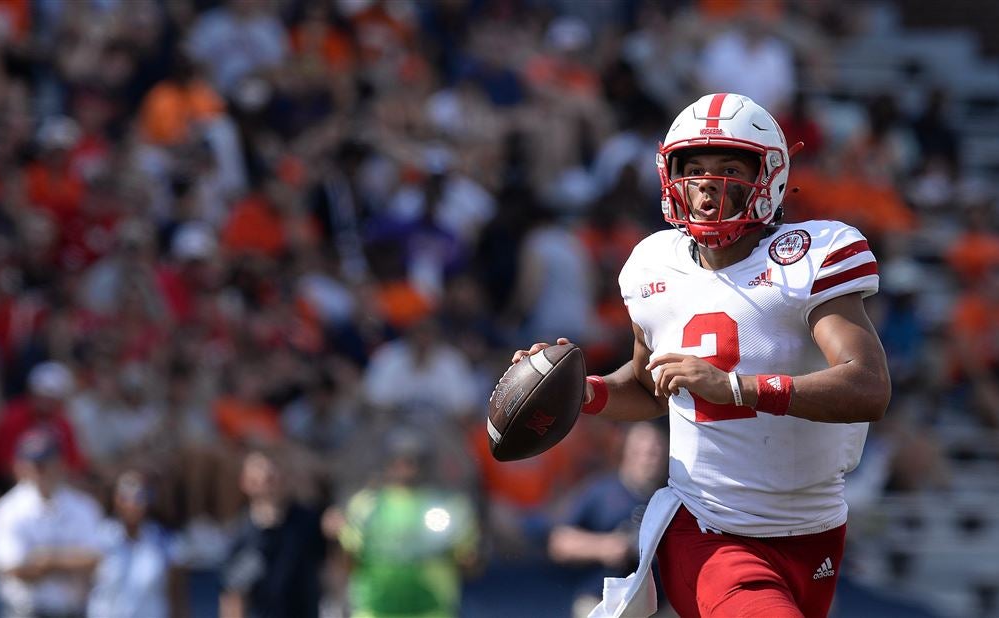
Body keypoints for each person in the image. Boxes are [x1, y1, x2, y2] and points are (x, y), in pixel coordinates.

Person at [512, 93, 891, 618]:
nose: (709, 185)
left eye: (730, 168)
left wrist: (736, 388)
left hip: (815, 528)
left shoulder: (812, 256)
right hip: (708, 527)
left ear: (769, 176)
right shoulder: (653, 264)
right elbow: (649, 385)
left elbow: (867, 387)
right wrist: (586, 392)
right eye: (694, 170)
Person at [330, 430, 480, 618]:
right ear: (387, 463)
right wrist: (336, 536)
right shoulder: (365, 505)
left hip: (432, 608)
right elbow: (347, 559)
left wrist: (469, 557)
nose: (406, 467)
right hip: (375, 608)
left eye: (413, 460)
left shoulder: (449, 505)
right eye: (399, 460)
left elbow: (469, 562)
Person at [549, 421, 669, 618]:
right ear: (625, 451)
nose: (648, 459)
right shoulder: (601, 492)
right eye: (641, 451)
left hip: (657, 606)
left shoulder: (671, 499)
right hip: (601, 601)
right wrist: (604, 546)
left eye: (655, 451)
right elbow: (559, 542)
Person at [0, 428, 104, 617]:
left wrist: (46, 559)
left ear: (60, 463)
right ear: (20, 465)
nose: (40, 471)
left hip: (73, 611)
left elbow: (95, 559)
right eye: (34, 463)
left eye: (46, 462)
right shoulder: (7, 509)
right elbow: (14, 568)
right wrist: (70, 561)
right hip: (26, 611)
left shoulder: (83, 506)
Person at [219, 449, 327, 618]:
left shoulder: (309, 522)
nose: (270, 475)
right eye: (262, 473)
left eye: (274, 470)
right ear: (246, 483)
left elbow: (331, 571)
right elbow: (233, 595)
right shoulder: (241, 534)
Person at [87, 471, 185, 618]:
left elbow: (176, 597)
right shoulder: (98, 537)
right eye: (124, 497)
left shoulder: (164, 541)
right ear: (115, 499)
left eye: (139, 497)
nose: (131, 504)